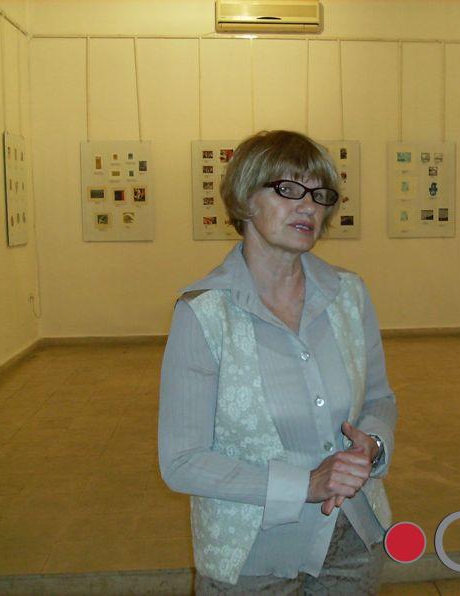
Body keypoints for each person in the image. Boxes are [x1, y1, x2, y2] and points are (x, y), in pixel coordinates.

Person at [158, 130, 397, 593]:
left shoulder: (348, 294)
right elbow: (183, 461)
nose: (308, 206)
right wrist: (305, 485)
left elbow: (380, 398)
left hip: (353, 539)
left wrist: (372, 445)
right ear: (245, 199)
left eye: (320, 195)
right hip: (253, 556)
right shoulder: (204, 313)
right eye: (288, 189)